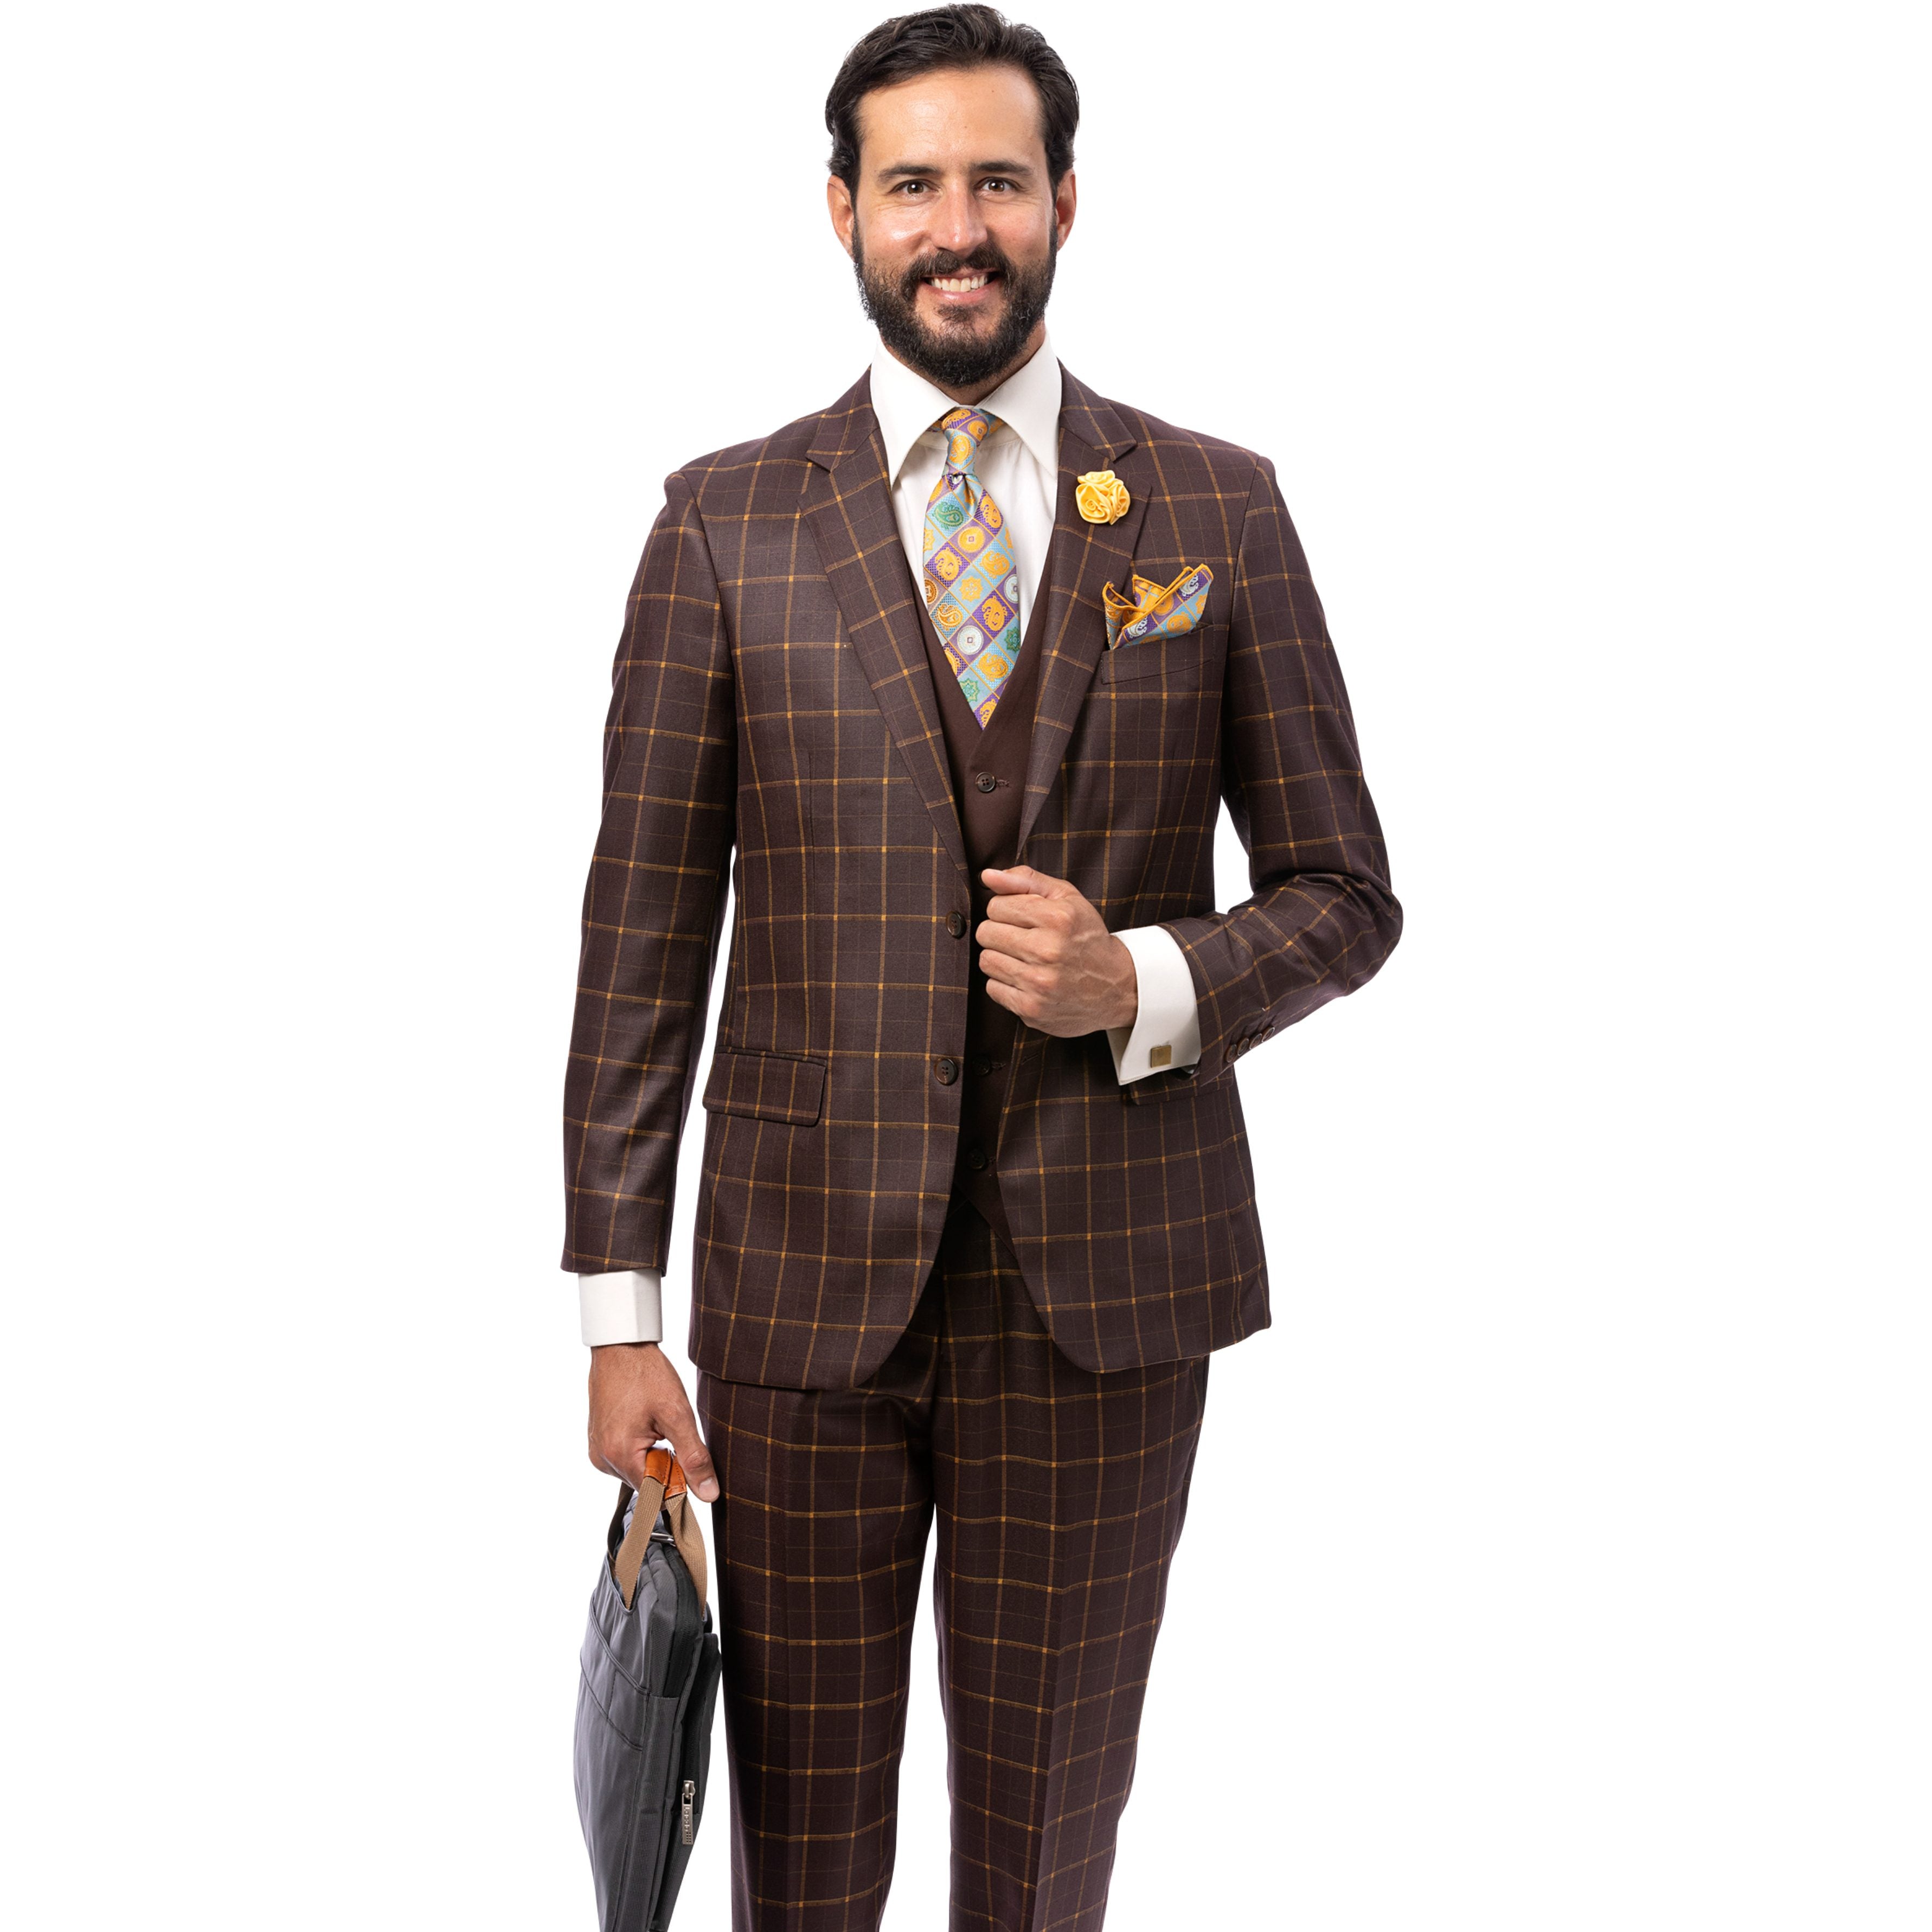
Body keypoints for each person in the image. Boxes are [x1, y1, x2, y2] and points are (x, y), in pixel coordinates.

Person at [561, 8, 1401, 1926]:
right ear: (842, 209)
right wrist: (618, 1310)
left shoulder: (1214, 505)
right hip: (797, 1305)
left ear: (1066, 203)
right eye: (914, 185)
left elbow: (1343, 889)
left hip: (1106, 1298)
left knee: (1040, 1866)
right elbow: (639, 937)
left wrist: (1147, 983)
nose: (959, 227)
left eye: (999, 182)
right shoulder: (723, 521)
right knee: (799, 1867)